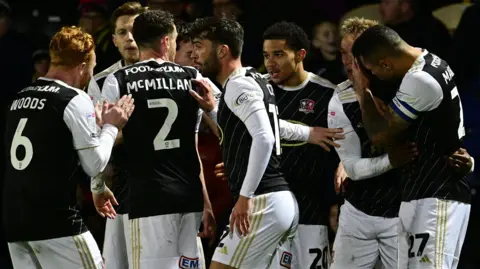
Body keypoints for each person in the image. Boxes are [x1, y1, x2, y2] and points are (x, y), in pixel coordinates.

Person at [189, 16, 343, 269]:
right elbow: (262, 128)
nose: (195, 54)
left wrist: (244, 197)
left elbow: (264, 136)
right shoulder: (256, 80)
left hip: (264, 202)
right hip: (279, 202)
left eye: (200, 46)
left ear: (222, 50)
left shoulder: (239, 84)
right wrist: (306, 134)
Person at [3, 26, 133, 269]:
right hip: (56, 221)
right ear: (83, 65)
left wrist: (98, 187)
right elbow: (94, 163)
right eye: (92, 68)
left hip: (15, 223)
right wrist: (111, 126)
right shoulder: (72, 98)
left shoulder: (19, 98)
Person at [101, 10, 216, 269]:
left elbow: (101, 144)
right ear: (166, 41)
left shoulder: (118, 80)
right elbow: (229, 125)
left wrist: (97, 187)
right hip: (189, 197)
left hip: (147, 199)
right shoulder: (193, 78)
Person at [351, 24, 472, 269]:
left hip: (436, 194)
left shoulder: (420, 80)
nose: (372, 75)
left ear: (386, 63)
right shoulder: (431, 60)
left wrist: (362, 90)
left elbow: (380, 136)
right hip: (422, 192)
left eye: (372, 70)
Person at [328, 17, 415, 269]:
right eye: (343, 52)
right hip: (358, 213)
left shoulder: (407, 88)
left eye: (354, 52)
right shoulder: (341, 98)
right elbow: (353, 167)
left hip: (402, 213)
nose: (347, 60)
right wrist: (391, 160)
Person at [261, 21, 343, 269]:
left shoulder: (327, 93)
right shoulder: (259, 91)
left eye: (278, 54)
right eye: (266, 56)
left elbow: (338, 151)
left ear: (300, 55)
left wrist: (334, 203)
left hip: (311, 209)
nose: (270, 63)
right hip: (267, 210)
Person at [86, 2, 147, 269]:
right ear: (113, 39)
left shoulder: (172, 74)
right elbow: (93, 138)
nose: (129, 38)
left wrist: (121, 131)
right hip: (120, 184)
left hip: (167, 183)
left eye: (134, 30)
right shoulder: (100, 81)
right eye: (122, 32)